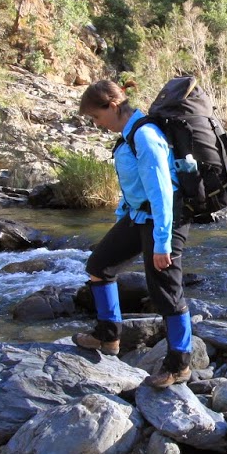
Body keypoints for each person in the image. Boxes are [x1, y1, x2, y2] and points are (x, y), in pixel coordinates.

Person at [73, 79, 194, 388]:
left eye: (96, 117)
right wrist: (122, 217)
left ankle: (180, 364)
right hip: (139, 216)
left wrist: (162, 243)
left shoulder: (146, 136)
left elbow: (163, 193)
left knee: (165, 291)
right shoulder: (128, 136)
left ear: (112, 107)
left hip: (165, 219)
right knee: (99, 267)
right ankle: (107, 336)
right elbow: (135, 187)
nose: (97, 124)